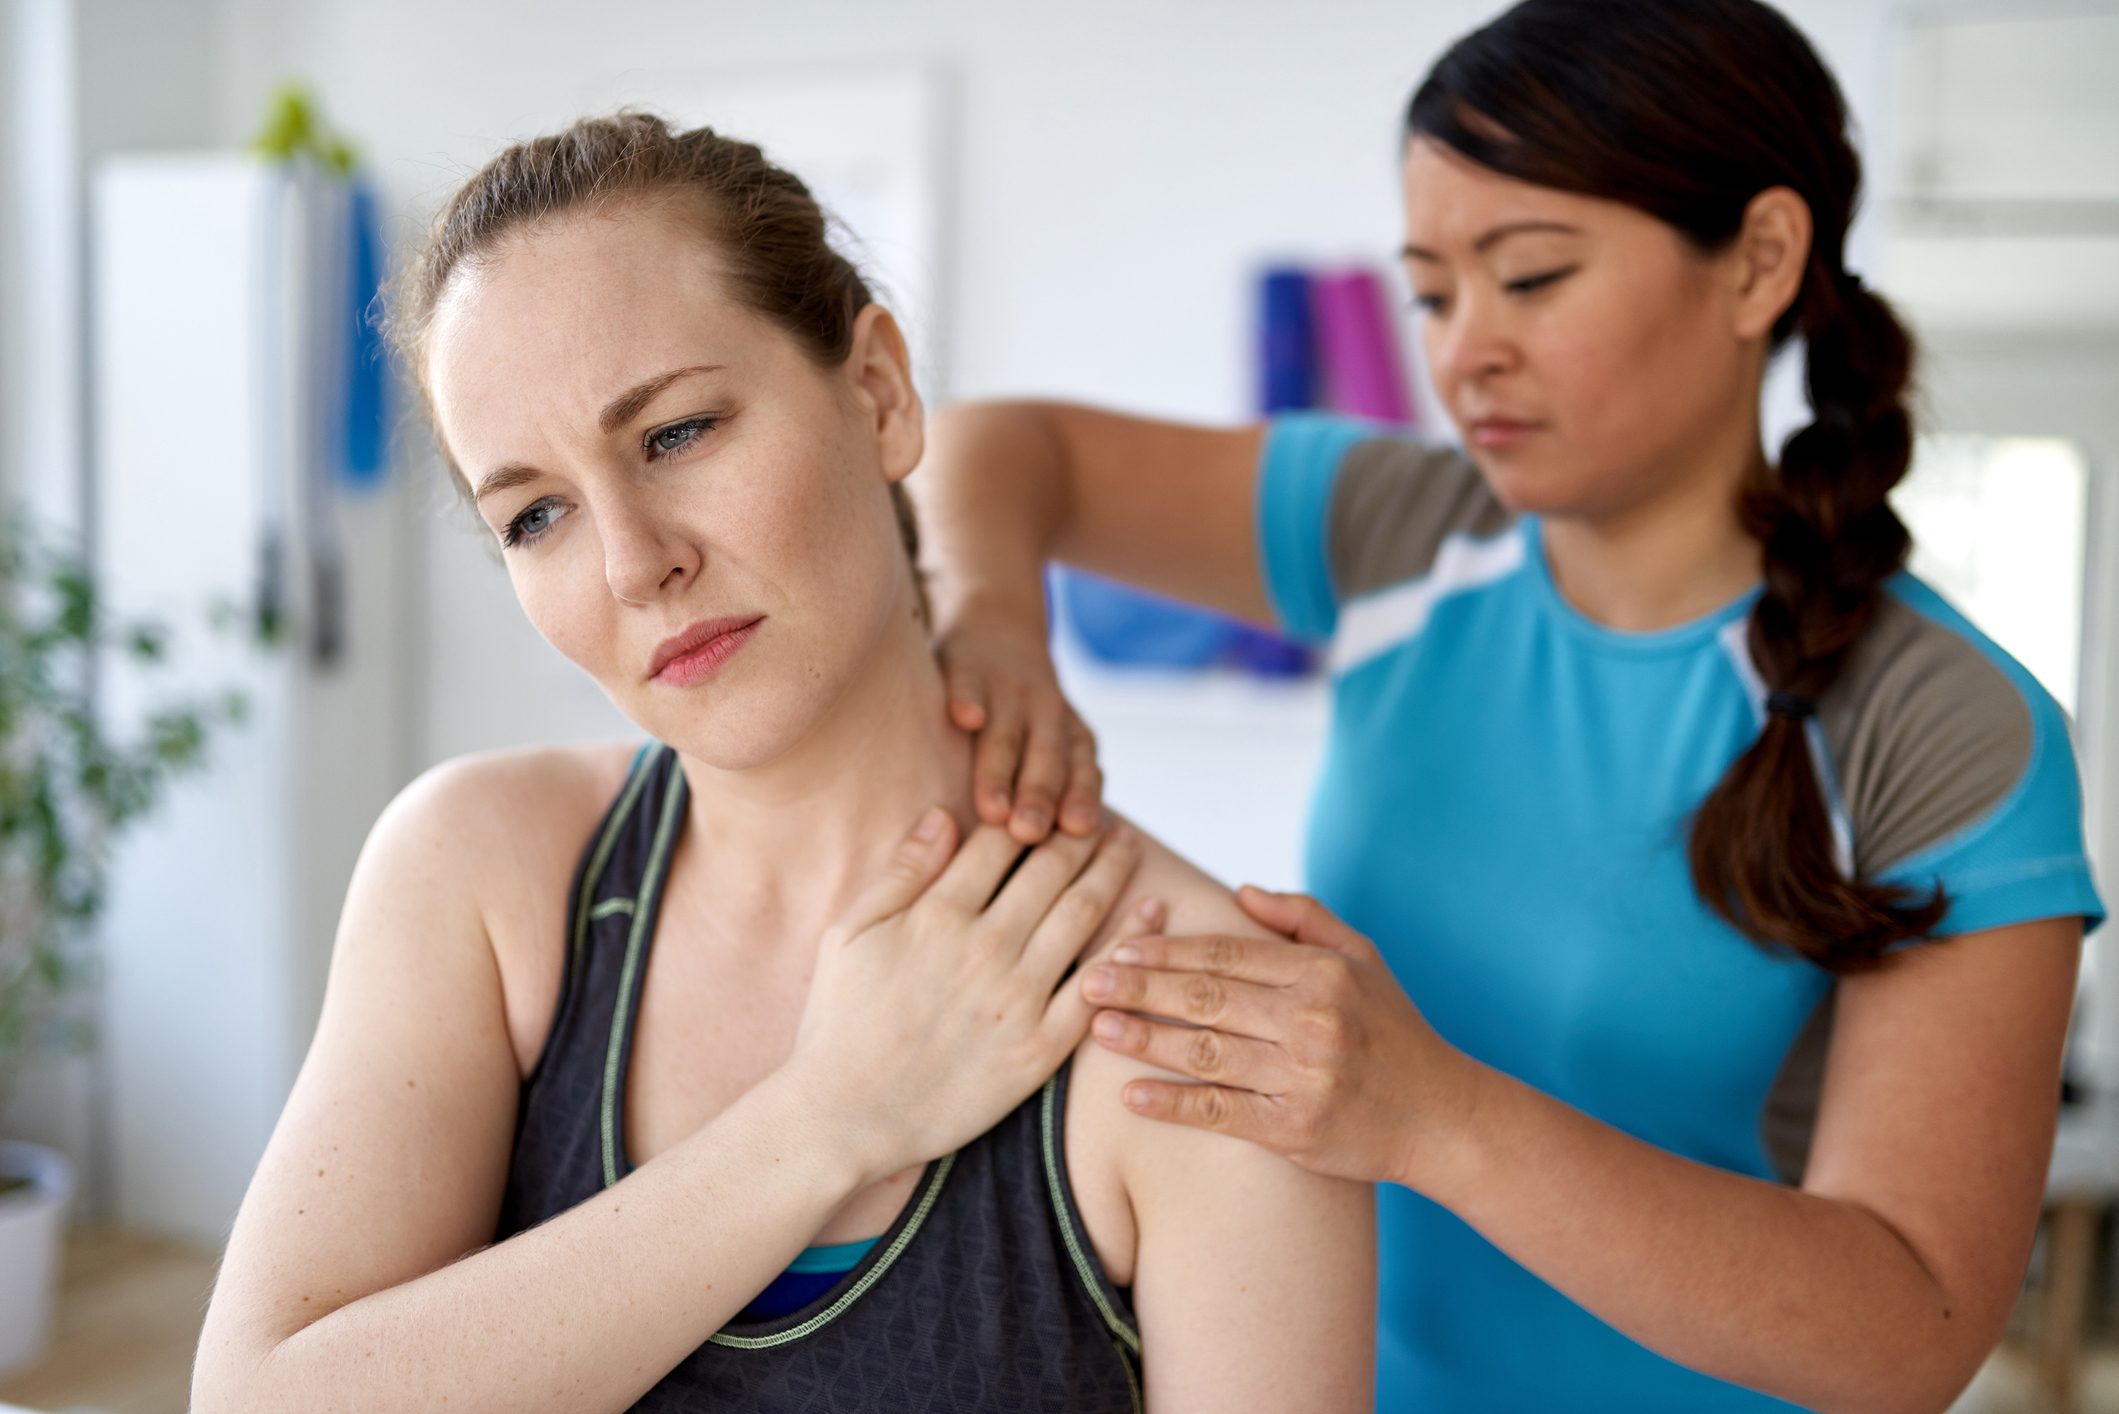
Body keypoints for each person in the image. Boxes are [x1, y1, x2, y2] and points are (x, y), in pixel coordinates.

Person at [912, 1, 2105, 1409]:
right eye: (1431, 292)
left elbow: (1914, 1322)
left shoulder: (1945, 727)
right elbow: (998, 445)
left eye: (1530, 277)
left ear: (1761, 262)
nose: (1464, 350)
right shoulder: (1406, 532)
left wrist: (1432, 1112)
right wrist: (992, 615)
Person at [188, 112, 1372, 1414]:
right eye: (535, 512)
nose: (635, 562)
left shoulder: (1201, 1020)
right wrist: (826, 1121)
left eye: (678, 433)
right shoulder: (481, 868)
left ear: (877, 391)